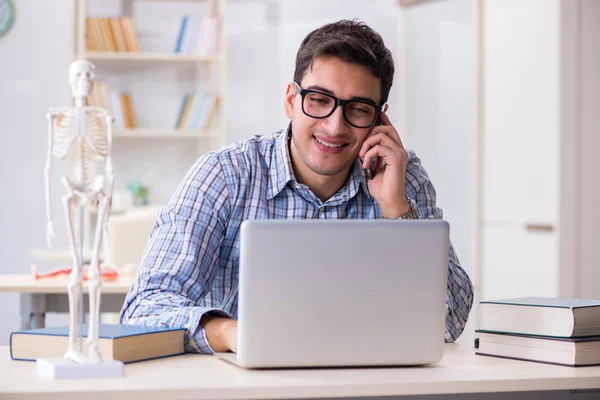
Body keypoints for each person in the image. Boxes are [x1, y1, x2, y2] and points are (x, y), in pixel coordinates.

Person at [120, 19, 474, 354]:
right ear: (291, 100)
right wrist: (231, 332)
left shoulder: (401, 176)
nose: (335, 127)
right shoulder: (223, 175)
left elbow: (449, 323)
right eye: (319, 100)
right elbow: (144, 309)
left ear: (380, 118)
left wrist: (397, 210)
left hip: (366, 383)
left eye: (358, 109)